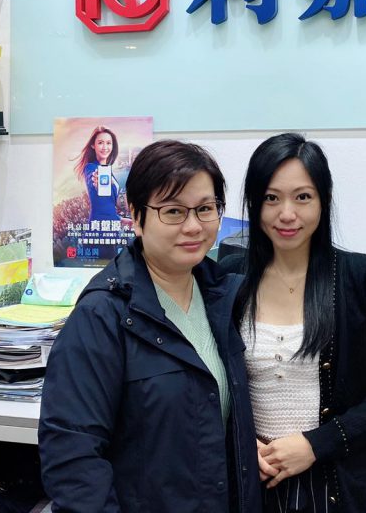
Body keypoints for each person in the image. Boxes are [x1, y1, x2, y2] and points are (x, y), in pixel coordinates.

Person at [39, 140, 262, 513]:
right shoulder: (103, 314)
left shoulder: (223, 295)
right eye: (173, 211)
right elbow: (72, 459)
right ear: (136, 215)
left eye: (205, 209)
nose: (193, 226)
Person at [225, 133, 366, 513]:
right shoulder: (229, 278)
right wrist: (241, 444)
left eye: (302, 197)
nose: (287, 214)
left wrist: (315, 444)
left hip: (338, 485)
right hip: (255, 483)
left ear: (323, 200)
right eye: (271, 198)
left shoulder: (360, 277)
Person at [73, 125, 128, 262]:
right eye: (100, 143)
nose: (105, 147)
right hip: (99, 233)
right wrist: (98, 182)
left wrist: (120, 220)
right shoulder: (91, 168)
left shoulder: (107, 171)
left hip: (109, 230)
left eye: (109, 143)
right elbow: (95, 181)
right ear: (93, 145)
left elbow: (106, 205)